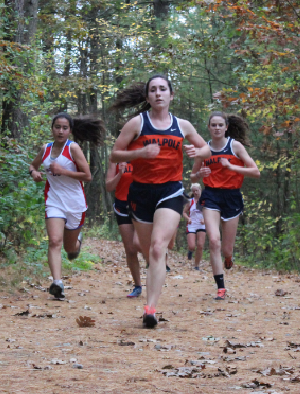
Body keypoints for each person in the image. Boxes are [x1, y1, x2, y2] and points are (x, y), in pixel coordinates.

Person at [110, 74, 211, 327]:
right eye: (153, 90)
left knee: (157, 248)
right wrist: (141, 152)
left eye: (163, 89)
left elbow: (207, 148)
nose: (158, 93)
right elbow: (114, 154)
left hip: (171, 191)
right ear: (147, 97)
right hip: (141, 193)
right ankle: (151, 290)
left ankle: (150, 309)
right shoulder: (137, 123)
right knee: (148, 252)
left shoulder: (182, 125)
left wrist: (197, 151)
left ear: (171, 95)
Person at [29, 113, 104, 300]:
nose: (60, 131)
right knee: (54, 241)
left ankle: (77, 240)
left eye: (64, 128)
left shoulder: (74, 148)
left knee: (70, 249)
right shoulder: (45, 149)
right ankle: (57, 283)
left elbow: (88, 176)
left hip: (75, 204)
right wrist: (34, 173)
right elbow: (33, 165)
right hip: (54, 201)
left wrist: (62, 171)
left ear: (70, 131)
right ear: (52, 129)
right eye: (57, 127)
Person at [190, 111, 260, 300]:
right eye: (213, 125)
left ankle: (228, 258)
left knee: (226, 249)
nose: (217, 128)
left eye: (220, 125)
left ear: (226, 127)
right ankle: (221, 287)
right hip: (211, 195)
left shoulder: (235, 146)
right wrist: (199, 175)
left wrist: (231, 167)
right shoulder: (204, 149)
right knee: (213, 241)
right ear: (209, 127)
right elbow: (192, 175)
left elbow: (255, 171)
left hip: (232, 196)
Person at [106, 160, 143, 297]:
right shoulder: (115, 159)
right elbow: (108, 187)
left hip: (142, 205)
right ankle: (137, 285)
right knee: (131, 249)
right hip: (122, 205)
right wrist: (120, 173)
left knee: (140, 244)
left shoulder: (142, 153)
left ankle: (154, 268)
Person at [183, 183, 206, 270]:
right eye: (194, 191)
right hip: (192, 224)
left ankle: (196, 265)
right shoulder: (190, 201)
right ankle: (190, 250)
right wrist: (188, 218)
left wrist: (205, 219)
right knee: (192, 245)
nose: (195, 192)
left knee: (200, 245)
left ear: (200, 190)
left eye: (197, 190)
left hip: (201, 224)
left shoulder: (205, 201)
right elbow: (184, 212)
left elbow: (210, 213)